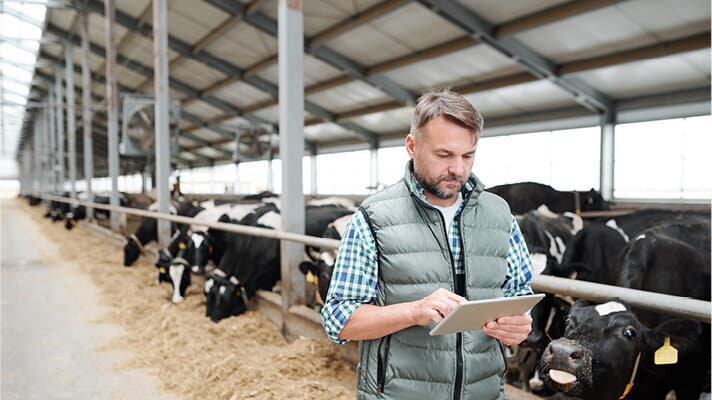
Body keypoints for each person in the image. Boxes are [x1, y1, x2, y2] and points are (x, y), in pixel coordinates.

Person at [320, 89, 534, 400]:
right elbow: (338, 319)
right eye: (444, 155)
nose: (458, 169)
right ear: (412, 145)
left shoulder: (499, 214)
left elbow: (519, 295)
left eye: (468, 155)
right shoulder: (374, 217)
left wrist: (520, 324)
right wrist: (414, 311)